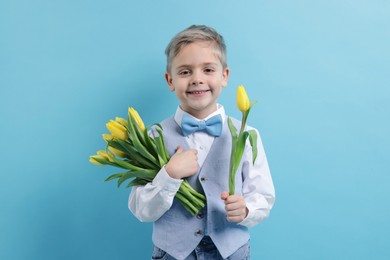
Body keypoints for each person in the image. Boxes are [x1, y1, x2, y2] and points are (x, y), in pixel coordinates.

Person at [129, 25, 275, 260]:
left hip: (232, 252)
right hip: (173, 254)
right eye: (185, 72)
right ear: (170, 80)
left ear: (224, 75)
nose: (197, 79)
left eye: (208, 69)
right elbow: (141, 209)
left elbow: (264, 196)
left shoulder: (247, 135)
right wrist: (169, 174)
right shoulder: (152, 137)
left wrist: (246, 209)